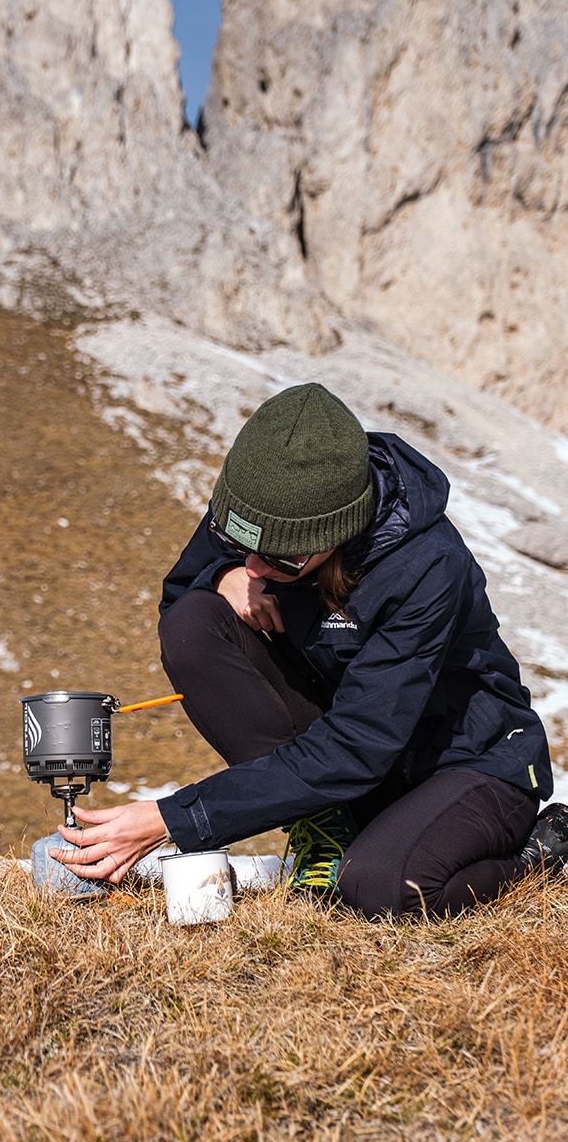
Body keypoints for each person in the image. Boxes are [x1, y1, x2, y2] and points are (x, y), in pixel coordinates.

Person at [49, 382, 568, 918]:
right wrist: (221, 572)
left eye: (279, 560)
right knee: (194, 625)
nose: (257, 565)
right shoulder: (261, 506)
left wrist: (176, 818)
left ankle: (536, 855)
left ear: (337, 535)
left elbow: (358, 743)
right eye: (242, 544)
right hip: (351, 750)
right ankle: (326, 828)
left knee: (381, 890)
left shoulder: (430, 568)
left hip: (468, 764)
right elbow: (183, 592)